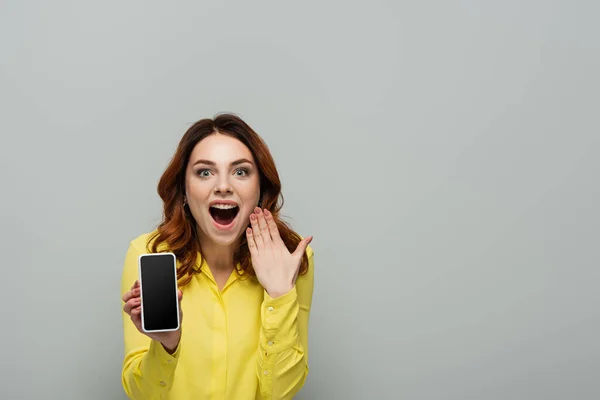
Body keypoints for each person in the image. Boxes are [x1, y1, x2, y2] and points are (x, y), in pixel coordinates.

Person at [120, 113, 315, 400]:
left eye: (240, 172)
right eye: (205, 172)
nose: (223, 186)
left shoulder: (291, 257)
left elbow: (282, 391)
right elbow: (143, 394)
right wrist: (166, 347)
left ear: (260, 188)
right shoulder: (149, 253)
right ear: (184, 190)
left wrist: (279, 295)